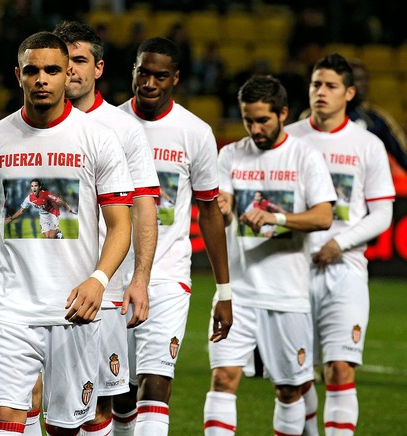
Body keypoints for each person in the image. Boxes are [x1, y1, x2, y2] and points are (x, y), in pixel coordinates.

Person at [0, 31, 134, 436]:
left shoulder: (98, 139)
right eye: (32, 70)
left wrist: (99, 280)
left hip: (74, 312)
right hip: (8, 310)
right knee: (7, 420)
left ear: (69, 74)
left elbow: (121, 225)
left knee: (65, 428)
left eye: (52, 70)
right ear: (18, 75)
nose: (42, 79)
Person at [36, 21, 159, 436]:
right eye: (62, 61)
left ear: (98, 68)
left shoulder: (123, 130)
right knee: (41, 399)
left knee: (100, 400)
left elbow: (143, 208)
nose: (69, 69)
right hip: (42, 285)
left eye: (79, 61)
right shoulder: (32, 125)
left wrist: (139, 279)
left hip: (105, 287)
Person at [111, 37, 233, 436]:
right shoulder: (106, 125)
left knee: (156, 384)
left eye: (160, 76)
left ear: (175, 79)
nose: (149, 83)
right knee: (120, 393)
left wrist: (224, 290)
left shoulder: (194, 133)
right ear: (132, 71)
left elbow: (209, 213)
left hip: (167, 276)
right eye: (142, 73)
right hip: (112, 275)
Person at [203, 75, 336, 436]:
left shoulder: (304, 156)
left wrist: (277, 217)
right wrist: (225, 207)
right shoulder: (231, 154)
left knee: (290, 389)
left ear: (283, 114)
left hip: (288, 294)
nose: (255, 128)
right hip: (239, 293)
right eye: (248, 120)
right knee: (223, 378)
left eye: (263, 120)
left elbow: (324, 216)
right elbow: (223, 205)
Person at [287, 53, 395, 436]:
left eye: (331, 86)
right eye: (317, 84)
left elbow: (382, 213)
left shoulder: (367, 145)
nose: (321, 92)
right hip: (292, 270)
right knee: (297, 376)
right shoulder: (290, 137)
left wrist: (340, 243)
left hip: (344, 270)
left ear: (349, 93)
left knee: (339, 367)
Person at [299, 58, 407, 174]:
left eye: (365, 80)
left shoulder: (376, 119)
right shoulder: (311, 116)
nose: (363, 85)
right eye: (357, 80)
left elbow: (402, 155)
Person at [5, 178, 77, 239]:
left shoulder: (46, 194)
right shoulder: (29, 198)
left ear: (39, 187)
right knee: (48, 236)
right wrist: (11, 218)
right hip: (43, 216)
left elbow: (60, 200)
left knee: (51, 237)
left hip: (52, 213)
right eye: (32, 186)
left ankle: (57, 236)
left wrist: (69, 209)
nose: (34, 188)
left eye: (36, 186)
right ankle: (59, 235)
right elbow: (21, 210)